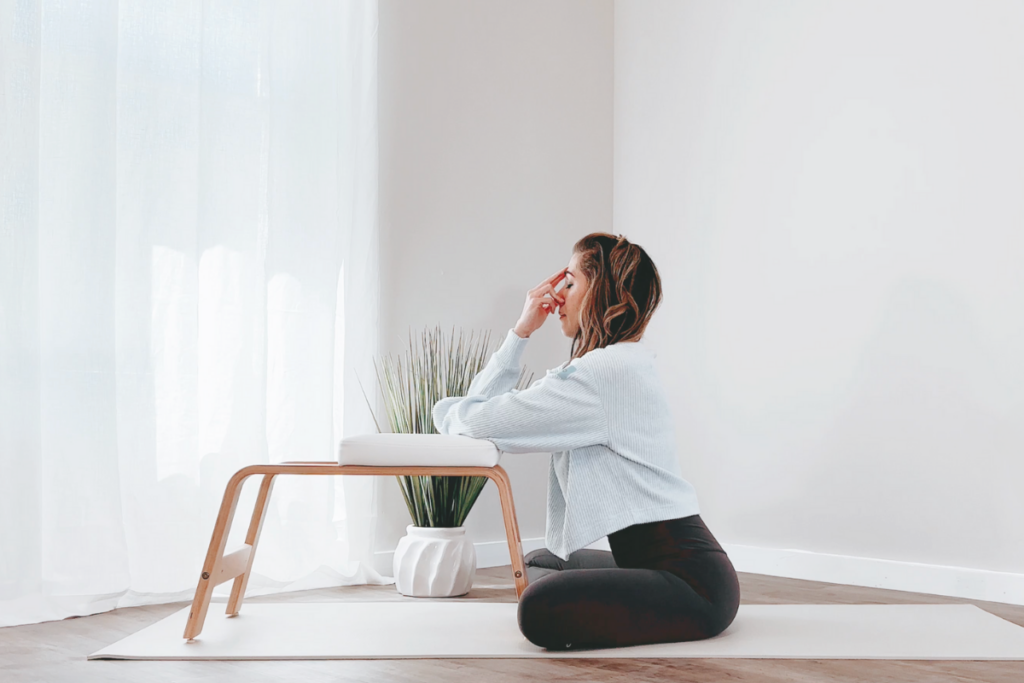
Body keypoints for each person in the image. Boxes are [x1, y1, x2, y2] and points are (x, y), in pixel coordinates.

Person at [432, 232, 740, 651]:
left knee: (536, 609)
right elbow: (470, 418)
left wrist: (521, 332)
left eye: (571, 282)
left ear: (600, 292)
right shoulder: (615, 365)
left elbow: (466, 419)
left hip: (695, 586)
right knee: (540, 562)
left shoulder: (601, 375)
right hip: (678, 566)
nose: (557, 296)